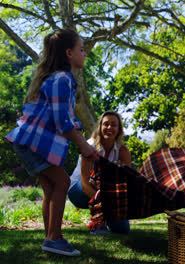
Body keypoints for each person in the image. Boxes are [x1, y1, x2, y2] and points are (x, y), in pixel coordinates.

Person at [5, 29, 99, 256]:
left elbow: (67, 119)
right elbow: (63, 121)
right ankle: (54, 238)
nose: (85, 53)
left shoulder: (61, 80)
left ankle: (51, 237)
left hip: (27, 142)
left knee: (50, 187)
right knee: (63, 182)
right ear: (69, 53)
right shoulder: (62, 80)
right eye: (81, 49)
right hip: (31, 142)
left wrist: (81, 138)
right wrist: (85, 147)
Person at [68, 111, 131, 234]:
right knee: (98, 178)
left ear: (119, 129)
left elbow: (126, 181)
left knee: (122, 229)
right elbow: (86, 186)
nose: (109, 128)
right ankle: (98, 223)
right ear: (100, 127)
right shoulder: (90, 146)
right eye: (106, 124)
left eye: (114, 125)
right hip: (78, 190)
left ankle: (106, 218)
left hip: (105, 193)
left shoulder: (122, 151)